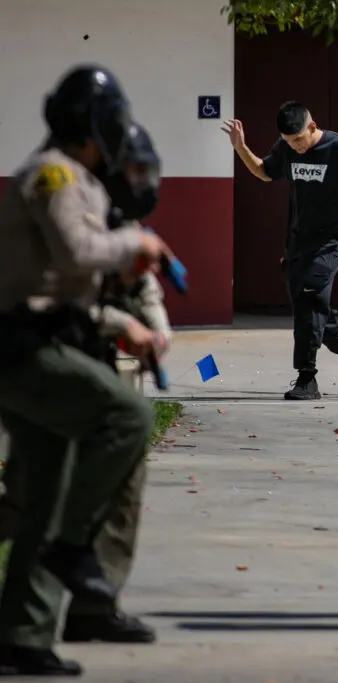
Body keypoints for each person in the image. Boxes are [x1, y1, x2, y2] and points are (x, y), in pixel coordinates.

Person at [0, 63, 170, 676]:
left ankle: (22, 637)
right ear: (90, 124)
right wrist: (135, 245)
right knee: (127, 413)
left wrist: (124, 315)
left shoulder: (75, 176)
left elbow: (67, 281)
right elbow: (75, 250)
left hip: (49, 339)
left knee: (43, 496)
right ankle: (76, 547)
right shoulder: (53, 173)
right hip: (25, 348)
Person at [222, 101, 338, 400]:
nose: (295, 147)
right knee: (312, 307)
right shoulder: (286, 148)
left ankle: (307, 378)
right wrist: (240, 146)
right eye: (289, 141)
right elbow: (265, 171)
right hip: (297, 243)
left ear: (313, 127)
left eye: (299, 140)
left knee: (309, 298)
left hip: (332, 241)